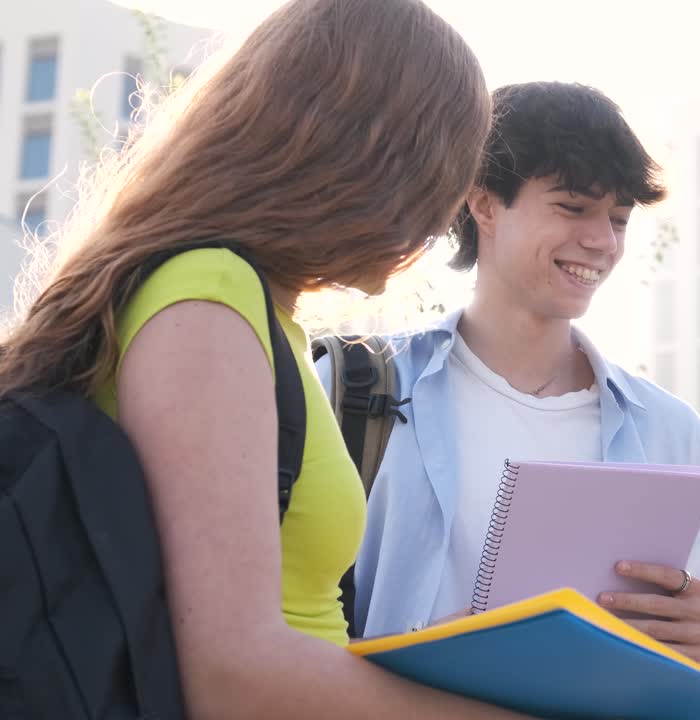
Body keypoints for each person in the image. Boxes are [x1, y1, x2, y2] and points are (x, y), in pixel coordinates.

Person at [0, 1, 538, 717]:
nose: (442, 220)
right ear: (378, 156)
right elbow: (234, 676)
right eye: (444, 174)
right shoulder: (209, 300)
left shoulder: (249, 310)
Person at [323, 81, 700, 677]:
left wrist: (696, 652)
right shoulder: (352, 389)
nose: (601, 241)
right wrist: (446, 653)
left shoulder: (672, 434)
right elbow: (280, 643)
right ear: (484, 203)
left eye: (618, 219)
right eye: (573, 208)